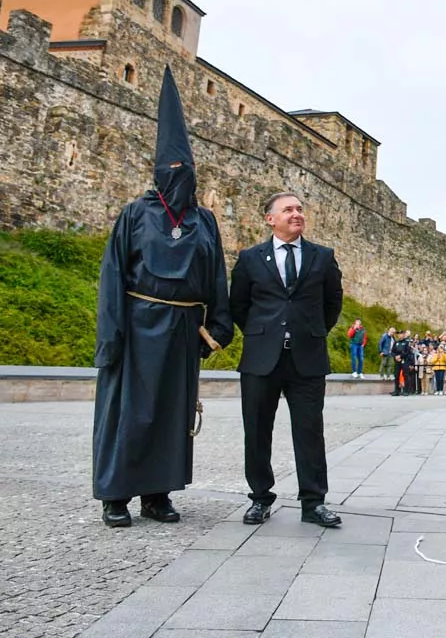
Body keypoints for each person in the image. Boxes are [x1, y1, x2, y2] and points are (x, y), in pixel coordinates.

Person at [93, 67, 234, 528]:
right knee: (128, 411)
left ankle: (157, 494)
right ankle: (116, 495)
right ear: (158, 172)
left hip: (180, 329)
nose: (181, 176)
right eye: (173, 170)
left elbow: (216, 274)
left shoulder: (204, 220)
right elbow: (113, 275)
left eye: (186, 170)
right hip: (137, 325)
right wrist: (111, 336)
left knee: (172, 413)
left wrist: (216, 327)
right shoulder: (135, 214)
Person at [230, 191, 344, 528]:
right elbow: (238, 304)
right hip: (261, 358)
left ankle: (313, 502)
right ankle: (260, 498)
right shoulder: (251, 258)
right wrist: (263, 332)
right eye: (288, 209)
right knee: (257, 430)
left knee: (310, 431)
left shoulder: (322, 257)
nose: (296, 214)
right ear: (270, 219)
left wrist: (311, 331)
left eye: (299, 209)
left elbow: (332, 304)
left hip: (307, 360)